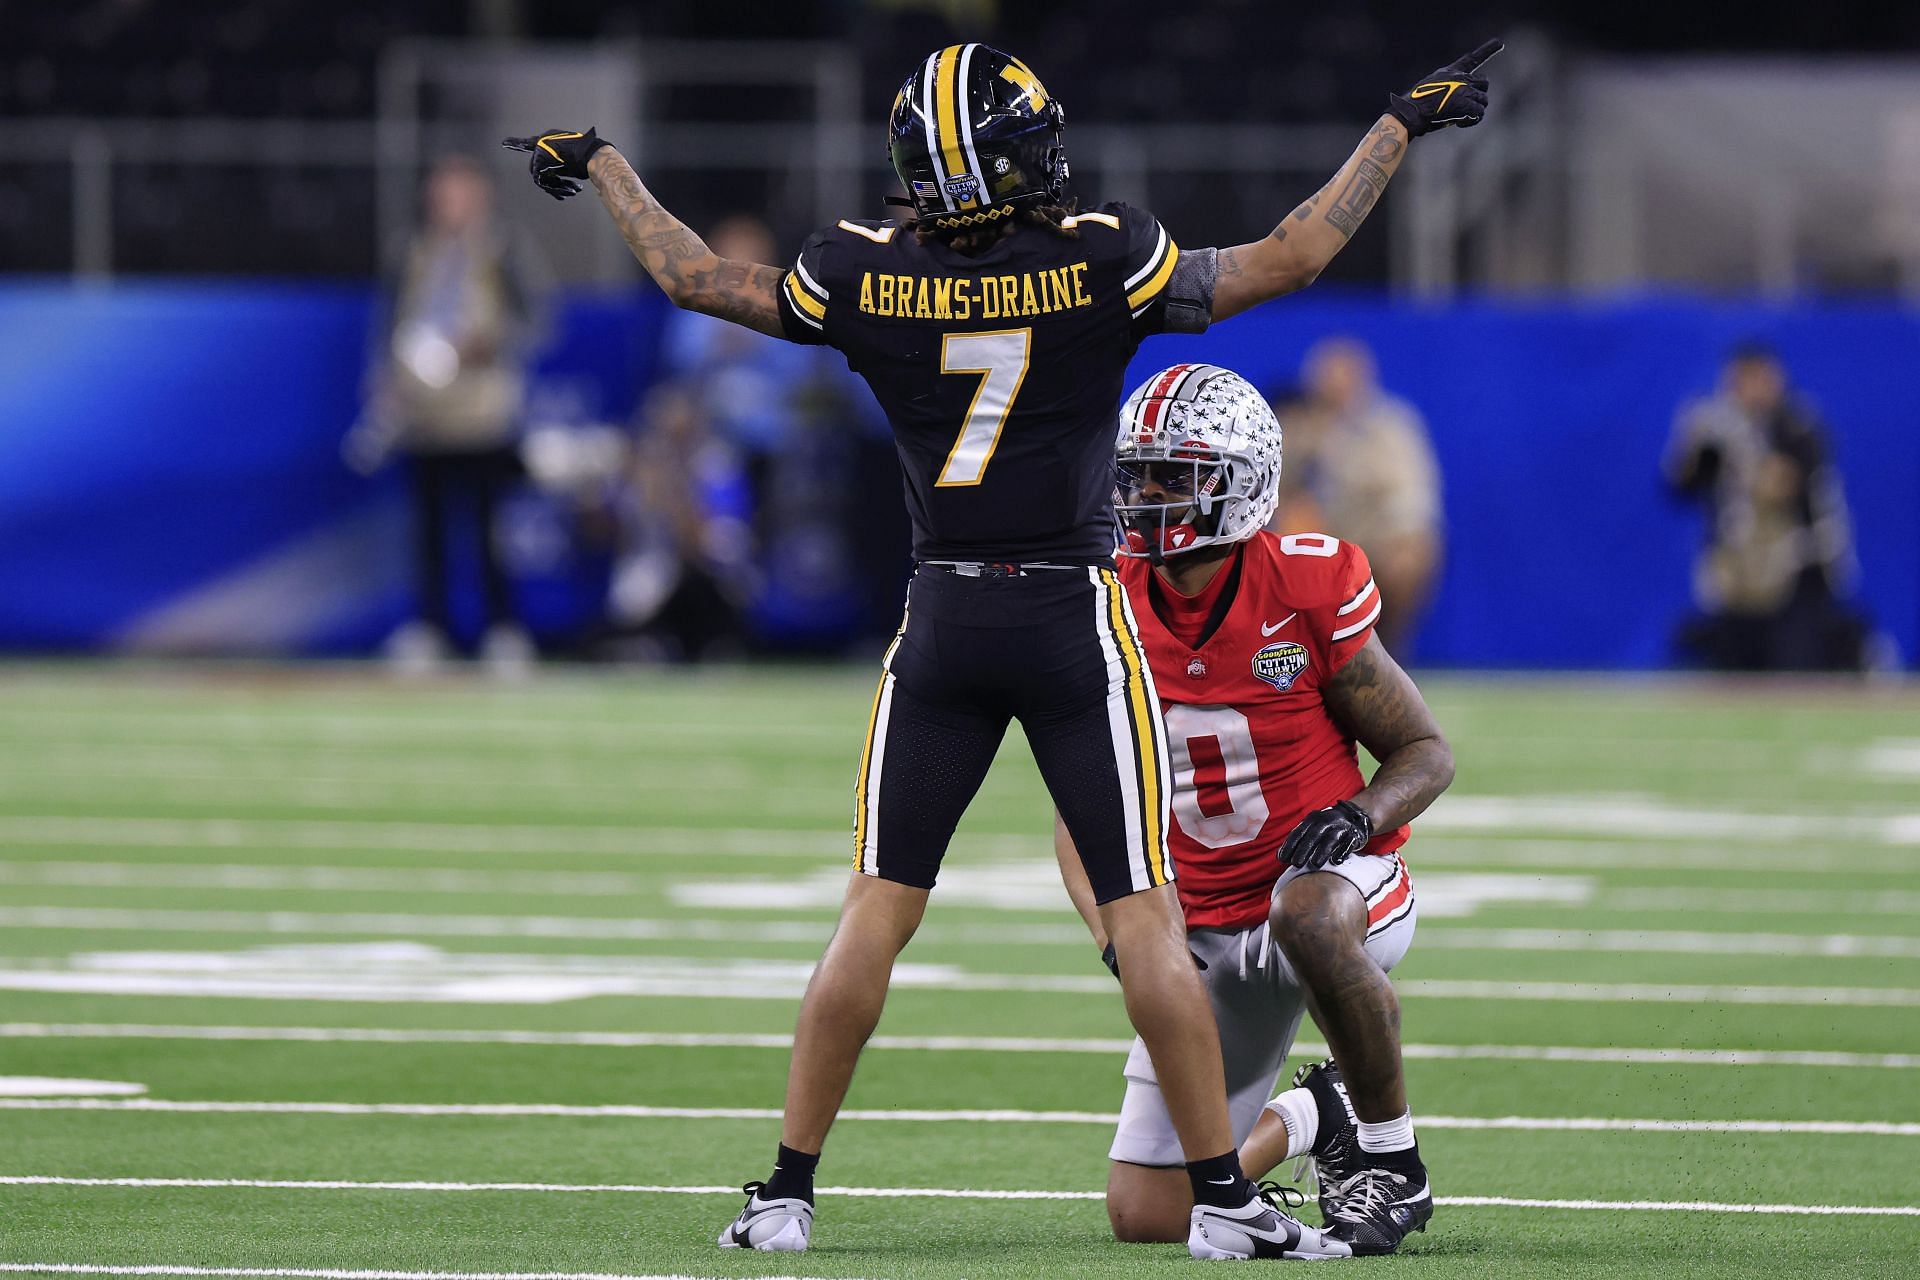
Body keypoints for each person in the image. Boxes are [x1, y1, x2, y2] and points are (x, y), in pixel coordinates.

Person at [505, 36, 1498, 1259]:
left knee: (874, 909)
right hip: (1076, 611)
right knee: (1142, 917)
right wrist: (1396, 126)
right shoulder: (1098, 256)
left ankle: (785, 1188)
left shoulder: (863, 269)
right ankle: (1227, 1202)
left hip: (943, 611)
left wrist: (605, 165)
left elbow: (697, 277)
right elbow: (1294, 253)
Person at [1057, 363, 1455, 1256]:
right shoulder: (1104, 604)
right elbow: (1080, 808)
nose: (1147, 494)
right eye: (1137, 473)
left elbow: (1426, 754)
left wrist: (1357, 815)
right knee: (1148, 1218)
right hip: (1199, 922)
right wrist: (1123, 940)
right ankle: (1320, 1113)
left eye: (1176, 473)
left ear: (1243, 481)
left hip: (1338, 885)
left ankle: (1392, 1165)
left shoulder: (1308, 584)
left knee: (1306, 911)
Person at [346, 154, 545, 673]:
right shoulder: (413, 249)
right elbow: (389, 324)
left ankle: (504, 629)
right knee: (428, 531)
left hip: (482, 414)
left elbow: (537, 321)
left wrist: (488, 342)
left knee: (488, 530)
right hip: (424, 415)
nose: (448, 205)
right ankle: (430, 628)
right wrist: (385, 381)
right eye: (441, 194)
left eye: (459, 194)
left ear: (480, 196)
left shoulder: (501, 248)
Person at [1665, 341, 1869, 671]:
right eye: (1744, 378)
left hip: (1797, 569)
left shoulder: (1797, 423)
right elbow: (1682, 487)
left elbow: (1781, 486)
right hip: (1739, 575)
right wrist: (1693, 447)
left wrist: (1738, 454)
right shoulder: (1718, 427)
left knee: (1793, 671)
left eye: (1760, 377)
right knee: (1733, 676)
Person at [1277, 337, 1443, 653]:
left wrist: (1404, 536)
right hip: (1319, 542)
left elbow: (1413, 496)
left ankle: (1391, 653)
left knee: (1411, 554)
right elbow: (1273, 488)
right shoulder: (1295, 424)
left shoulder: (1390, 426)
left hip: (1374, 540)